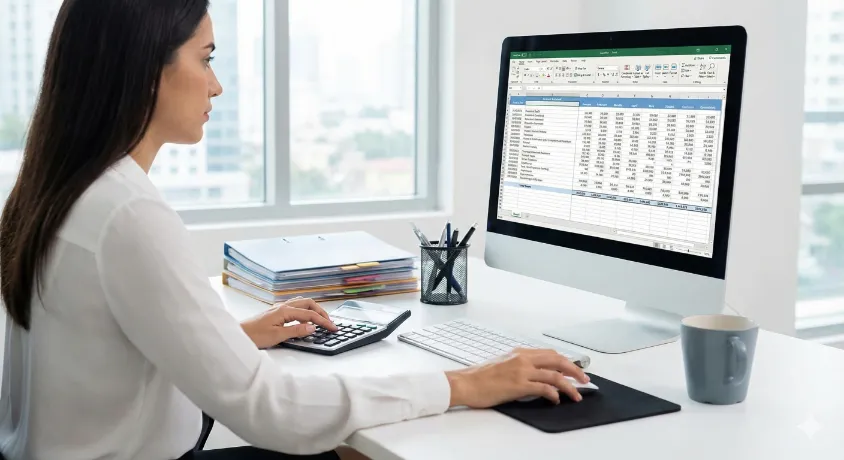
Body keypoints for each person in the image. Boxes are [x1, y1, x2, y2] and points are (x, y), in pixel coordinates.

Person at [0, 1, 590, 459]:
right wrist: (463, 384)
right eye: (205, 58)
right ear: (143, 68)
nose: (216, 85)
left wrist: (232, 338)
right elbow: (271, 410)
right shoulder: (128, 214)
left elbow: (109, 341)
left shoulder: (60, 189)